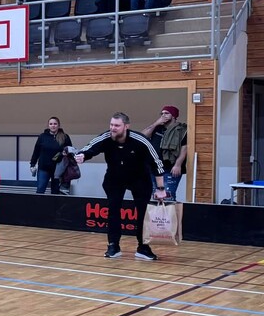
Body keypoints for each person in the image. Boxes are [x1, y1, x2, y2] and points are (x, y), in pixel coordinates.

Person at [75, 112, 168, 260]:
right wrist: (82, 155)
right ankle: (113, 246)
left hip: (139, 179)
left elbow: (157, 163)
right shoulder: (106, 137)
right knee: (113, 211)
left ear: (126, 126)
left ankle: (143, 247)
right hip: (115, 178)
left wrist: (161, 189)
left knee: (143, 213)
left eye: (117, 125)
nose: (113, 128)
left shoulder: (140, 140)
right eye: (111, 125)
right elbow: (91, 147)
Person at [144, 105, 188, 201]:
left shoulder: (181, 130)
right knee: (154, 196)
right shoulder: (157, 128)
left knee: (168, 196)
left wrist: (178, 165)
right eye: (162, 113)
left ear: (174, 116)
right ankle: (157, 212)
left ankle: (169, 211)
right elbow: (143, 136)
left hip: (170, 168)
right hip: (154, 168)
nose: (163, 115)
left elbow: (184, 148)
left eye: (166, 113)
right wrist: (156, 123)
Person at [29, 117, 73, 195]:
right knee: (40, 189)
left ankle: (54, 203)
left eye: (55, 124)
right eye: (51, 124)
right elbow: (36, 151)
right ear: (48, 125)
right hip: (43, 168)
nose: (53, 126)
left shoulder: (65, 137)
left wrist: (66, 153)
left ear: (58, 125)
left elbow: (70, 150)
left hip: (58, 169)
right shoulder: (42, 136)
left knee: (55, 192)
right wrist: (32, 164)